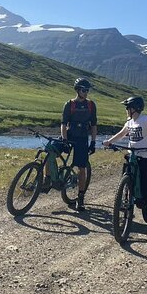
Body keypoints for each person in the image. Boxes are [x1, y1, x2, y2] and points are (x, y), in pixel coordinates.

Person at [103, 96, 147, 238]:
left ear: (134, 108)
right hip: (132, 156)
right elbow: (122, 134)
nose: (126, 110)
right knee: (125, 178)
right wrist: (109, 141)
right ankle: (127, 198)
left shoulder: (145, 120)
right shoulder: (130, 122)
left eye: (127, 108)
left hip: (145, 157)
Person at [46, 77, 97, 211]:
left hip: (82, 139)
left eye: (87, 90)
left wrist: (93, 142)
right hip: (68, 135)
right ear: (77, 90)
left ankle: (80, 198)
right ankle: (48, 179)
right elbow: (63, 124)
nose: (86, 92)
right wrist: (64, 139)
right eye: (83, 90)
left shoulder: (91, 105)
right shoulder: (69, 104)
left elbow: (94, 125)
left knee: (82, 168)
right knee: (49, 150)